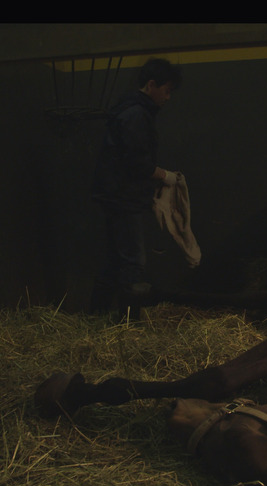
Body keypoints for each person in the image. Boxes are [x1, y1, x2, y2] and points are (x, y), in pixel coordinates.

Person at [89, 58, 182, 316]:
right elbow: (136, 163)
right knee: (133, 261)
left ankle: (96, 315)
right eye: (166, 90)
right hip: (122, 197)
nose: (168, 97)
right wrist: (165, 176)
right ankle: (128, 324)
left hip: (114, 194)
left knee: (115, 260)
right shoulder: (136, 115)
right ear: (151, 85)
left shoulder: (130, 110)